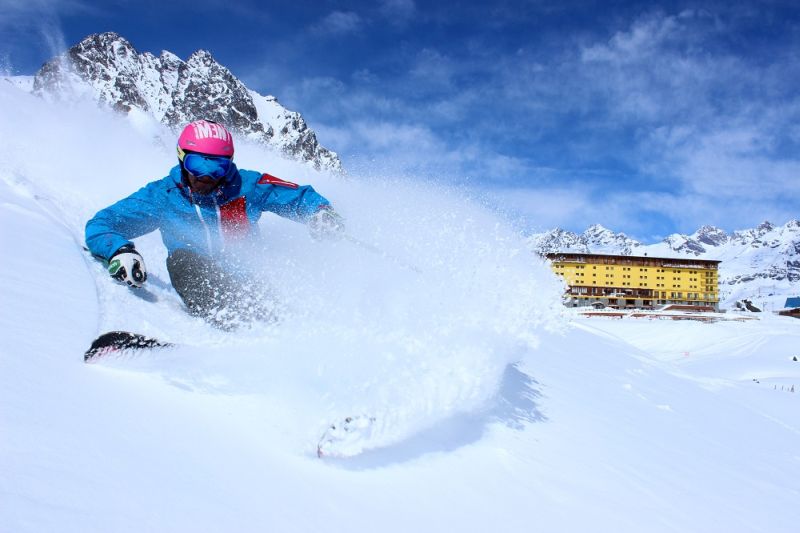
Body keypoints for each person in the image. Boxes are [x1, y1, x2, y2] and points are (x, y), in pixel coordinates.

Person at [85, 119, 344, 328]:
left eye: (217, 168)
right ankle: (235, 329)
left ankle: (282, 333)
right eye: (196, 164)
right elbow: (102, 223)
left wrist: (321, 213)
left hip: (249, 278)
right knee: (182, 260)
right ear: (181, 158)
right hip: (196, 274)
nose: (206, 177)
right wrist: (119, 250)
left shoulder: (246, 185)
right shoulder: (162, 196)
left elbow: (298, 196)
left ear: (228, 165)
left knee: (275, 302)